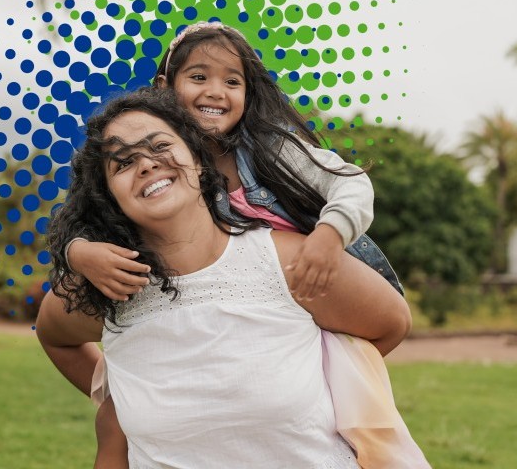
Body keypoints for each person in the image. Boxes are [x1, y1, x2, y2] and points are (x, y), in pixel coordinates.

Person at [37, 87, 429, 469]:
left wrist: (336, 382)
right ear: (109, 194)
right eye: (122, 163)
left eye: (160, 147)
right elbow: (54, 335)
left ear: (198, 157)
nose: (145, 164)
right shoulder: (109, 286)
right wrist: (116, 400)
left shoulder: (285, 259)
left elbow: (390, 323)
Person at [67, 21, 402, 317]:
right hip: (254, 307)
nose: (215, 92)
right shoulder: (160, 168)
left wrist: (330, 236)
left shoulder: (272, 149)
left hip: (328, 289)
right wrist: (79, 253)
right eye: (199, 77)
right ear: (164, 87)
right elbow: (90, 211)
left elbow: (351, 183)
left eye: (232, 82)